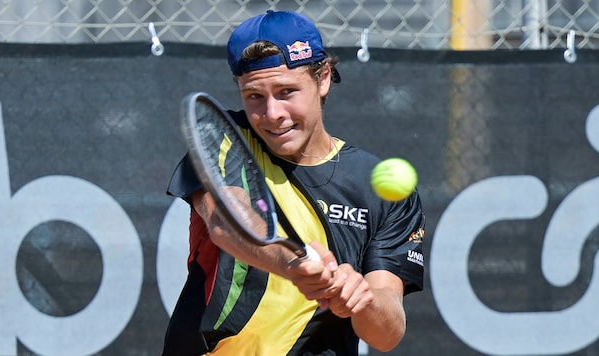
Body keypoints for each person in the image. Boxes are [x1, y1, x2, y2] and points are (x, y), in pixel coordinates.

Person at [162, 10, 425, 356]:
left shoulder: (380, 191)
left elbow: (387, 333)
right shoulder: (224, 136)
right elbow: (227, 221)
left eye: (287, 91)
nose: (272, 114)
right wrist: (294, 263)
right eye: (255, 96)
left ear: (324, 78)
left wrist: (360, 299)